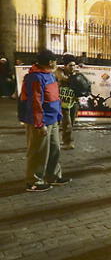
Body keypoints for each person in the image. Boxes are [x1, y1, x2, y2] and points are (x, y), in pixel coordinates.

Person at [19, 49, 70, 192]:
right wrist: (39, 124)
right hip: (41, 121)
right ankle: (34, 181)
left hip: (52, 119)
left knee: (54, 149)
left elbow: (54, 98)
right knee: (38, 151)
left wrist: (58, 116)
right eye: (55, 61)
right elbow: (35, 103)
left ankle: (53, 175)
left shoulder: (50, 76)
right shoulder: (35, 78)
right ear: (50, 62)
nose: (56, 64)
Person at [55, 54, 79, 150]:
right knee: (67, 122)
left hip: (73, 101)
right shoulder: (59, 71)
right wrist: (75, 78)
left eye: (74, 65)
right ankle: (67, 142)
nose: (73, 67)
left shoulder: (75, 73)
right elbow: (62, 78)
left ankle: (64, 139)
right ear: (65, 65)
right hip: (62, 101)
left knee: (71, 123)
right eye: (70, 65)